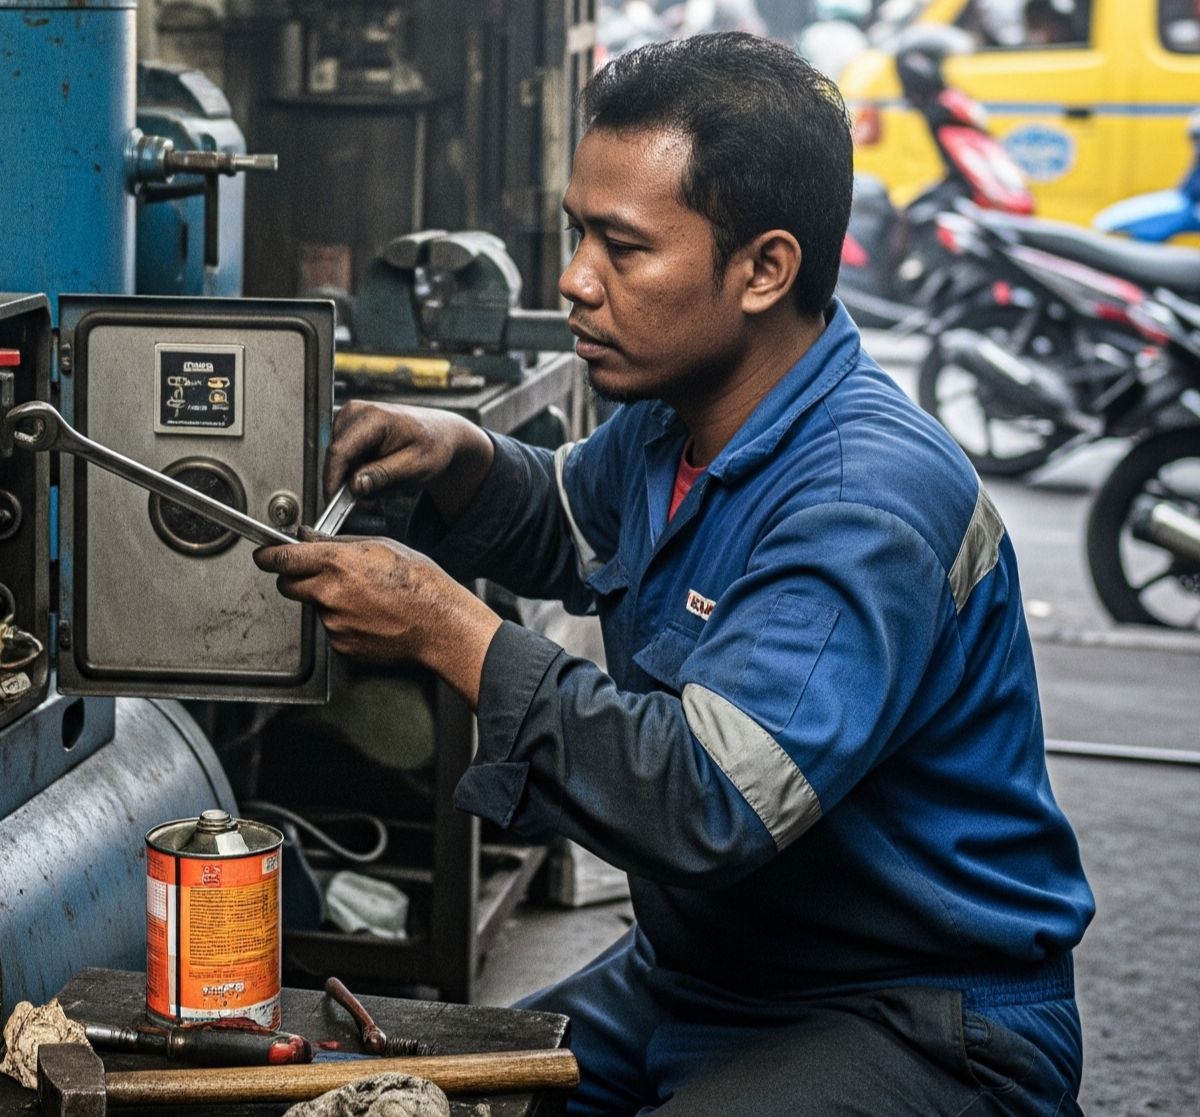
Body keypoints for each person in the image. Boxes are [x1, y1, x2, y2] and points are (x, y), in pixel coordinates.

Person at [256, 33, 1092, 1115]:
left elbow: (707, 800)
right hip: (699, 979)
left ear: (762, 268)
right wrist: (462, 457)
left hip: (911, 1016)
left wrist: (444, 629)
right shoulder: (679, 423)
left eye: (622, 246)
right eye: (574, 234)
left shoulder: (862, 499)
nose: (572, 279)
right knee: (415, 1093)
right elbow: (569, 516)